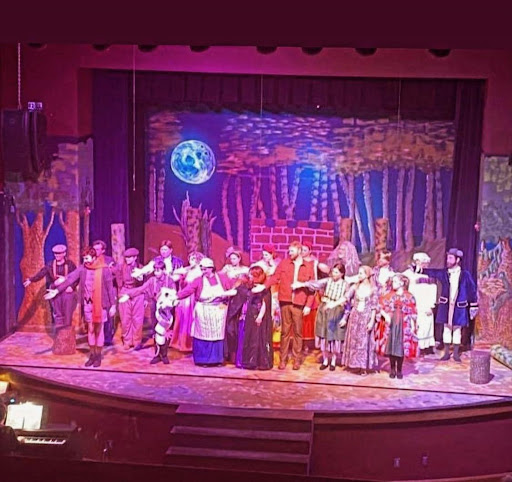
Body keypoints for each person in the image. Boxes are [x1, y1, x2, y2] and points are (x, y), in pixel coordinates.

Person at [45, 246, 116, 367]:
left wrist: (113, 305)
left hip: (101, 305)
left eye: (87, 258)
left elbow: (110, 289)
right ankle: (92, 355)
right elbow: (70, 279)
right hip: (88, 304)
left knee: (99, 330)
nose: (85, 261)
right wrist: (56, 291)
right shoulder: (83, 268)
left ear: (94, 257)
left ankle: (98, 356)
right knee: (91, 329)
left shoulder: (104, 270)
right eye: (84, 258)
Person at [263, 241, 315, 371]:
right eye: (289, 250)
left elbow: (312, 287)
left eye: (292, 250)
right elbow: (275, 277)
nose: (289, 252)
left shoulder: (308, 266)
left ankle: (297, 360)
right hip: (285, 301)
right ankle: (283, 359)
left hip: (299, 303)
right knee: (285, 332)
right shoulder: (284, 263)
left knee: (298, 332)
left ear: (299, 251)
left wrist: (308, 305)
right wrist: (264, 286)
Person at [419, 248, 478, 362]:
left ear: (457, 260)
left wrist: (473, 304)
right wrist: (420, 270)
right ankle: (446, 353)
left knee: (457, 329)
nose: (448, 260)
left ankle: (455, 353)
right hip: (446, 305)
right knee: (446, 328)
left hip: (459, 307)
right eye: (448, 258)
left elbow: (472, 290)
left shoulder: (465, 275)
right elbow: (433, 273)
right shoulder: (445, 273)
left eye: (450, 258)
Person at [174, 258, 235, 366]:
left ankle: (217, 359)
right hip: (203, 310)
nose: (203, 271)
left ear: (211, 268)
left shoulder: (222, 278)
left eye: (205, 269)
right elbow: (188, 290)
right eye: (202, 269)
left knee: (218, 335)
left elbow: (231, 289)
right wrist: (176, 296)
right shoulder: (198, 280)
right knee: (203, 334)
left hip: (218, 311)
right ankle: (203, 360)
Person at [118, 259, 177, 363]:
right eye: (155, 270)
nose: (156, 273)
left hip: (166, 308)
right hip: (155, 305)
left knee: (164, 330)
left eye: (158, 270)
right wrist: (128, 294)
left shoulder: (169, 281)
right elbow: (140, 289)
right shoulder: (152, 280)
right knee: (155, 329)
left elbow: (174, 295)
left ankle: (164, 354)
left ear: (163, 270)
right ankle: (157, 354)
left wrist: (168, 303)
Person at [294, 263, 349, 371]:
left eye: (336, 272)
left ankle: (333, 361)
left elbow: (348, 302)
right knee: (323, 334)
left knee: (334, 336)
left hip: (336, 312)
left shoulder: (345, 285)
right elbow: (315, 284)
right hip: (324, 310)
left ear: (342, 274)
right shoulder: (328, 281)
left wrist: (345, 317)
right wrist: (302, 284)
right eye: (333, 271)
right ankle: (325, 360)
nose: (334, 274)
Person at [23, 244, 78, 335]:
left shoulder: (70, 265)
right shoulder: (50, 265)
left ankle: (67, 335)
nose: (57, 255)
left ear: (64, 253)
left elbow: (76, 277)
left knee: (67, 313)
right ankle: (59, 335)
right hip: (55, 291)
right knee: (57, 313)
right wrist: (31, 279)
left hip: (67, 291)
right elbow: (41, 273)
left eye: (59, 253)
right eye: (55, 254)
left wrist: (72, 287)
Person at [341, 265, 378, 375]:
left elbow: (374, 306)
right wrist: (337, 302)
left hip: (366, 317)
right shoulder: (355, 287)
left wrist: (372, 321)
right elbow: (346, 296)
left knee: (364, 341)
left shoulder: (373, 289)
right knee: (354, 341)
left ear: (367, 275)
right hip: (355, 317)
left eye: (361, 273)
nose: (359, 275)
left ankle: (363, 367)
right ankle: (354, 364)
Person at [380, 274, 418, 379]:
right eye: (393, 281)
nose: (393, 284)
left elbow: (413, 312)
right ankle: (392, 368)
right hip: (392, 322)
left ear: (401, 283)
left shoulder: (409, 296)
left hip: (403, 323)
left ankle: (399, 369)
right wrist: (386, 316)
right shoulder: (389, 295)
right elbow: (380, 306)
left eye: (395, 282)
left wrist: (413, 326)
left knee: (401, 346)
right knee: (392, 345)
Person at [403, 252, 437, 355]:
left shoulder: (429, 275)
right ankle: (417, 346)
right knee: (416, 324)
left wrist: (432, 305)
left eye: (426, 263)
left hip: (426, 303)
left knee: (427, 324)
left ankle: (427, 347)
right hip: (415, 303)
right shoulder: (409, 273)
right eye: (423, 262)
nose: (425, 265)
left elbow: (433, 290)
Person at [171, 251, 204, 352]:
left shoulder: (199, 272)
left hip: (191, 297)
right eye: (190, 259)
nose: (191, 261)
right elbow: (175, 273)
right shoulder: (187, 269)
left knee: (188, 318)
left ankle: (187, 343)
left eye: (193, 259)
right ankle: (178, 341)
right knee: (180, 317)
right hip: (182, 297)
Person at [115, 248, 145, 350]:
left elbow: (145, 284)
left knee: (137, 319)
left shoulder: (140, 268)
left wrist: (145, 298)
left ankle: (137, 341)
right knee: (125, 318)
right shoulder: (121, 267)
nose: (127, 259)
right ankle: (127, 340)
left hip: (137, 292)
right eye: (126, 257)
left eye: (130, 257)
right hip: (125, 290)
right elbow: (119, 281)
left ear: (135, 257)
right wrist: (119, 293)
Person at [92, 240, 116, 345]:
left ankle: (107, 337)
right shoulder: (91, 259)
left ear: (103, 250)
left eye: (98, 249)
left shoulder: (109, 260)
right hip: (94, 292)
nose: (96, 251)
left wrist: (109, 273)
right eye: (94, 249)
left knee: (108, 317)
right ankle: (96, 337)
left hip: (106, 291)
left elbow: (115, 274)